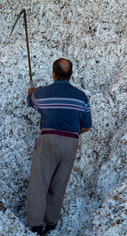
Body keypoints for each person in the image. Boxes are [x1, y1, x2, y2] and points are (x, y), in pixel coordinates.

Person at [26, 58, 92, 235]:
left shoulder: (41, 93)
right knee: (59, 183)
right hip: (71, 142)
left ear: (53, 74)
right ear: (71, 75)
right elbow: (86, 126)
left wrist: (30, 92)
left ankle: (36, 225)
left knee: (40, 182)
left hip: (48, 139)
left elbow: (31, 102)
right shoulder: (82, 97)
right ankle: (51, 223)